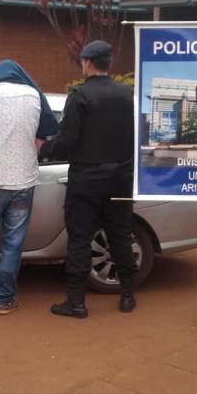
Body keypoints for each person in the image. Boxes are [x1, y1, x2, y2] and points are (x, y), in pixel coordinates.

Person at [39, 40, 137, 319]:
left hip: (86, 180)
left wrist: (44, 149)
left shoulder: (79, 96)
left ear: (87, 62)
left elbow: (67, 140)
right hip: (121, 178)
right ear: (109, 63)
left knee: (80, 239)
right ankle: (128, 296)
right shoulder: (127, 94)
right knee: (121, 235)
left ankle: (76, 302)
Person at [0, 60, 59, 315]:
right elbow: (47, 130)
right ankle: (5, 300)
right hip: (22, 181)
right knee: (13, 243)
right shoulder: (33, 95)